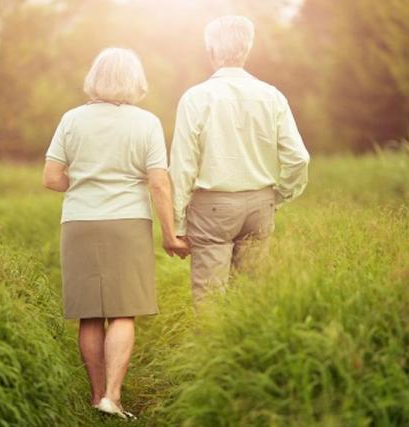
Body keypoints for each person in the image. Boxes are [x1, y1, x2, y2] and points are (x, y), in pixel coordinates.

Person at [42, 47, 189, 419]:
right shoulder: (146, 123)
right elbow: (159, 184)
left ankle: (95, 399)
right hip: (127, 223)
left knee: (90, 314)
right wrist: (171, 234)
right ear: (135, 81)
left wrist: (86, 178)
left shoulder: (71, 119)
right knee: (123, 312)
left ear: (95, 78)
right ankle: (113, 397)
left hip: (79, 222)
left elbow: (51, 178)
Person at [169, 15, 311, 304]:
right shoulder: (272, 96)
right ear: (247, 50)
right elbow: (299, 158)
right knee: (252, 295)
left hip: (212, 207)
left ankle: (212, 348)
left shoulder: (196, 98)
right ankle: (248, 347)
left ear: (211, 52)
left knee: (210, 298)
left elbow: (182, 166)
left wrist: (178, 225)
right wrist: (279, 195)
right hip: (260, 204)